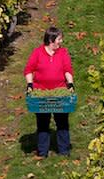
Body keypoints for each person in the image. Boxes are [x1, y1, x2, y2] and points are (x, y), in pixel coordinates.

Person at [23, 26, 74, 157]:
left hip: (59, 90)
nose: (61, 42)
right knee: (43, 123)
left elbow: (67, 69)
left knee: (62, 122)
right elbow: (29, 69)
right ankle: (42, 151)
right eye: (59, 39)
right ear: (51, 40)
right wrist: (30, 84)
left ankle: (64, 150)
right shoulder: (38, 53)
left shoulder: (63, 53)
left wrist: (70, 84)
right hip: (42, 92)